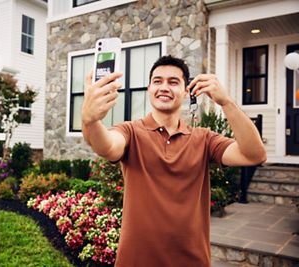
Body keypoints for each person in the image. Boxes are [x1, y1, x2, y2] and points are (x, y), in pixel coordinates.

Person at [81, 55, 267, 267]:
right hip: (136, 260)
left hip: (191, 260)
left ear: (187, 91)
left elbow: (254, 155)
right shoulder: (130, 131)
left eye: (173, 82)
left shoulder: (204, 138)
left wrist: (226, 102)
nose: (164, 87)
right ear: (149, 89)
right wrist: (91, 120)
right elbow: (106, 146)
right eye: (157, 81)